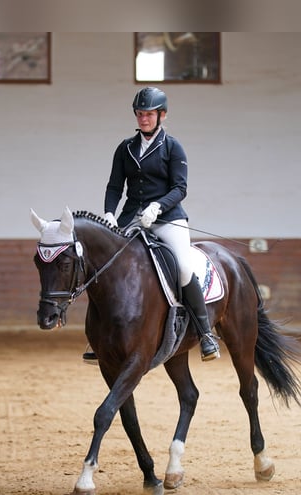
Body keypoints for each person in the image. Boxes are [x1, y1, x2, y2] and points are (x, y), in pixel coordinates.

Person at [86, 86, 220, 362]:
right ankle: (98, 337)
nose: (143, 119)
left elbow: (180, 188)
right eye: (139, 114)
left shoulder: (172, 146)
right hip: (130, 217)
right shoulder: (125, 148)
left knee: (183, 266)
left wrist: (158, 206)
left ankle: (206, 333)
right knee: (104, 265)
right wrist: (110, 213)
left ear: (162, 115)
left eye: (148, 114)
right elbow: (114, 186)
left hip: (167, 217)